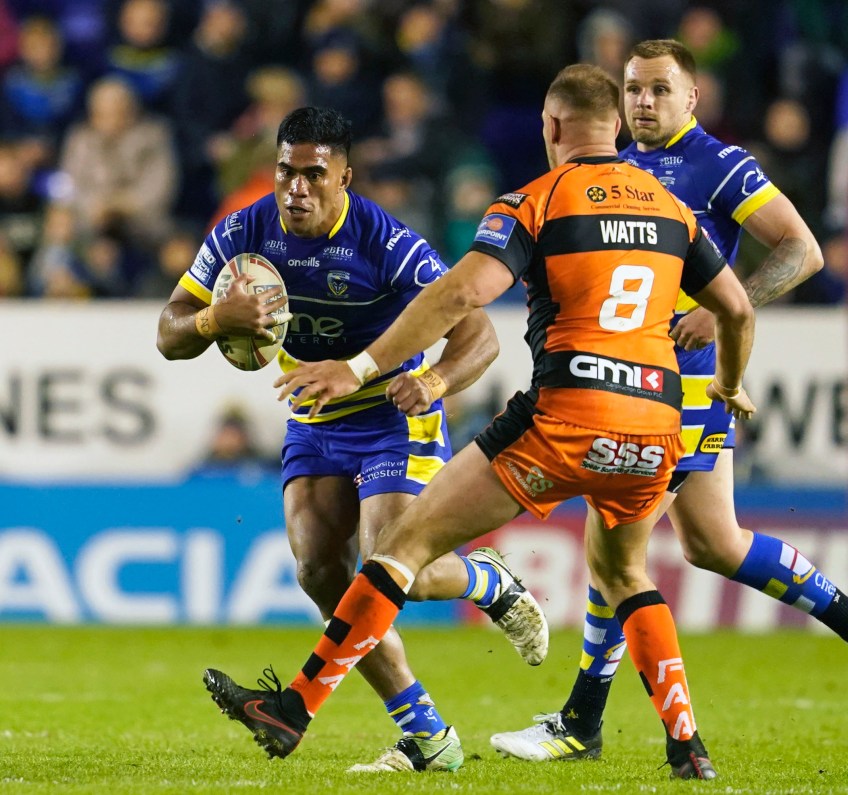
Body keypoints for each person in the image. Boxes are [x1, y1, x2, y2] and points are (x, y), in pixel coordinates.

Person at [201, 65, 757, 780]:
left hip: (566, 415)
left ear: (551, 126)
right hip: (655, 423)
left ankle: (297, 705)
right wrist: (729, 384)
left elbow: (461, 295)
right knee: (625, 574)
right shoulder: (672, 207)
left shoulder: (537, 199)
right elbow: (736, 309)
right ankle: (687, 746)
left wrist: (361, 367)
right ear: (617, 126)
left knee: (401, 547)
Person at [157, 106, 549, 773]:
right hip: (314, 419)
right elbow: (170, 332)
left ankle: (489, 580)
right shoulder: (243, 232)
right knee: (319, 571)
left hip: (393, 417)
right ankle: (428, 734)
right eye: (286, 171)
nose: (296, 188)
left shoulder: (384, 241)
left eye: (314, 174)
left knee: (394, 566)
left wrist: (434, 380)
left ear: (344, 176)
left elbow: (479, 335)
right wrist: (215, 318)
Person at [489, 38, 847, 765]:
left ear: (692, 98)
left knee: (614, 550)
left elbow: (802, 250)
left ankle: (581, 720)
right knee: (714, 542)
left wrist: (727, 305)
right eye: (632, 89)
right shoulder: (616, 170)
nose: (643, 102)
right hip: (642, 381)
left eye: (659, 89)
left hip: (679, 387)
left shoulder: (718, 164)